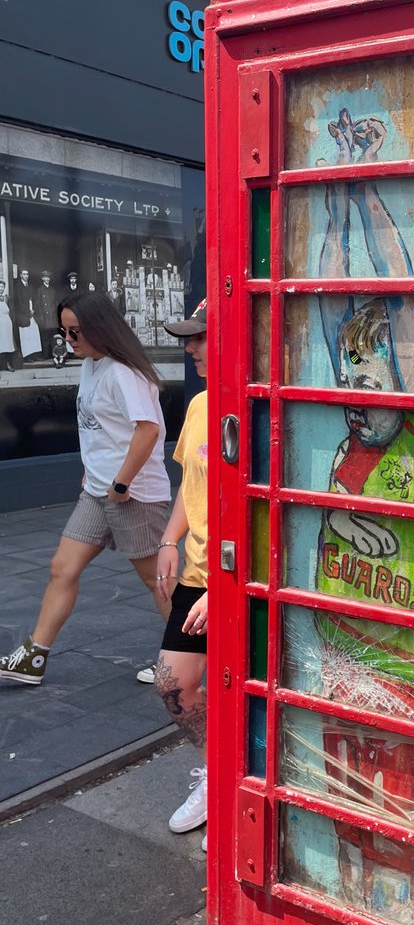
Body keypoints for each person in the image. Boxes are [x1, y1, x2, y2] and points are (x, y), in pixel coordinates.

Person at [0, 292, 171, 685]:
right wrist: (93, 472)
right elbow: (102, 430)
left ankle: (189, 659)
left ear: (99, 329)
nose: (68, 340)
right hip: (97, 491)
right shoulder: (92, 366)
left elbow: (149, 430)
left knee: (157, 580)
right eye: (63, 332)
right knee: (63, 567)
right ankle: (34, 657)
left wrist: (121, 482)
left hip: (133, 495)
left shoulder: (123, 372)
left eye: (75, 332)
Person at [153, 300, 210, 848]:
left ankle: (247, 793)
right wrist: (170, 539)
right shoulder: (198, 405)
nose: (189, 348)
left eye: (199, 338)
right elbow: (192, 488)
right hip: (196, 572)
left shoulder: (261, 406)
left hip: (242, 579)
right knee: (175, 687)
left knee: (245, 690)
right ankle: (218, 774)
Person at [35, 271, 58, 357]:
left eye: (48, 277)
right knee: (45, 337)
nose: (47, 279)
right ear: (42, 279)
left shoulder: (53, 290)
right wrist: (41, 316)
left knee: (53, 336)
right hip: (44, 317)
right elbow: (38, 305)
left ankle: (53, 354)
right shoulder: (40, 290)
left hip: (52, 317)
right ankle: (45, 355)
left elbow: (56, 303)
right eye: (45, 277)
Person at [0, 280, 15, 370]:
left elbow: (11, 310)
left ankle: (8, 364)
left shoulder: (6, 298)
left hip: (6, 323)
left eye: (2, 287)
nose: (1, 289)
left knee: (8, 343)